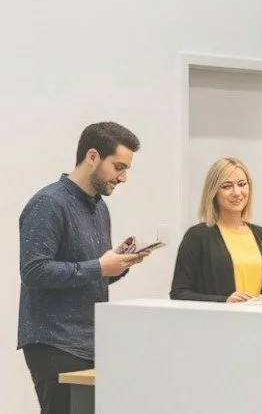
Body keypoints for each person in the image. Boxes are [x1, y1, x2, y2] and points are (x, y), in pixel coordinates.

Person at [18, 122, 147, 414]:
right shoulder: (49, 203)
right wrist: (99, 266)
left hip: (91, 340)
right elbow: (34, 271)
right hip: (53, 341)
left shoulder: (99, 207)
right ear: (92, 157)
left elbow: (90, 275)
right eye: (118, 167)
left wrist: (118, 264)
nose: (123, 177)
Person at [170, 157, 262, 302]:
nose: (237, 192)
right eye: (227, 186)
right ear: (214, 192)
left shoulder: (261, 235)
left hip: (257, 323)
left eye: (242, 184)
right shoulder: (197, 236)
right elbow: (179, 293)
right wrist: (224, 301)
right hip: (219, 322)